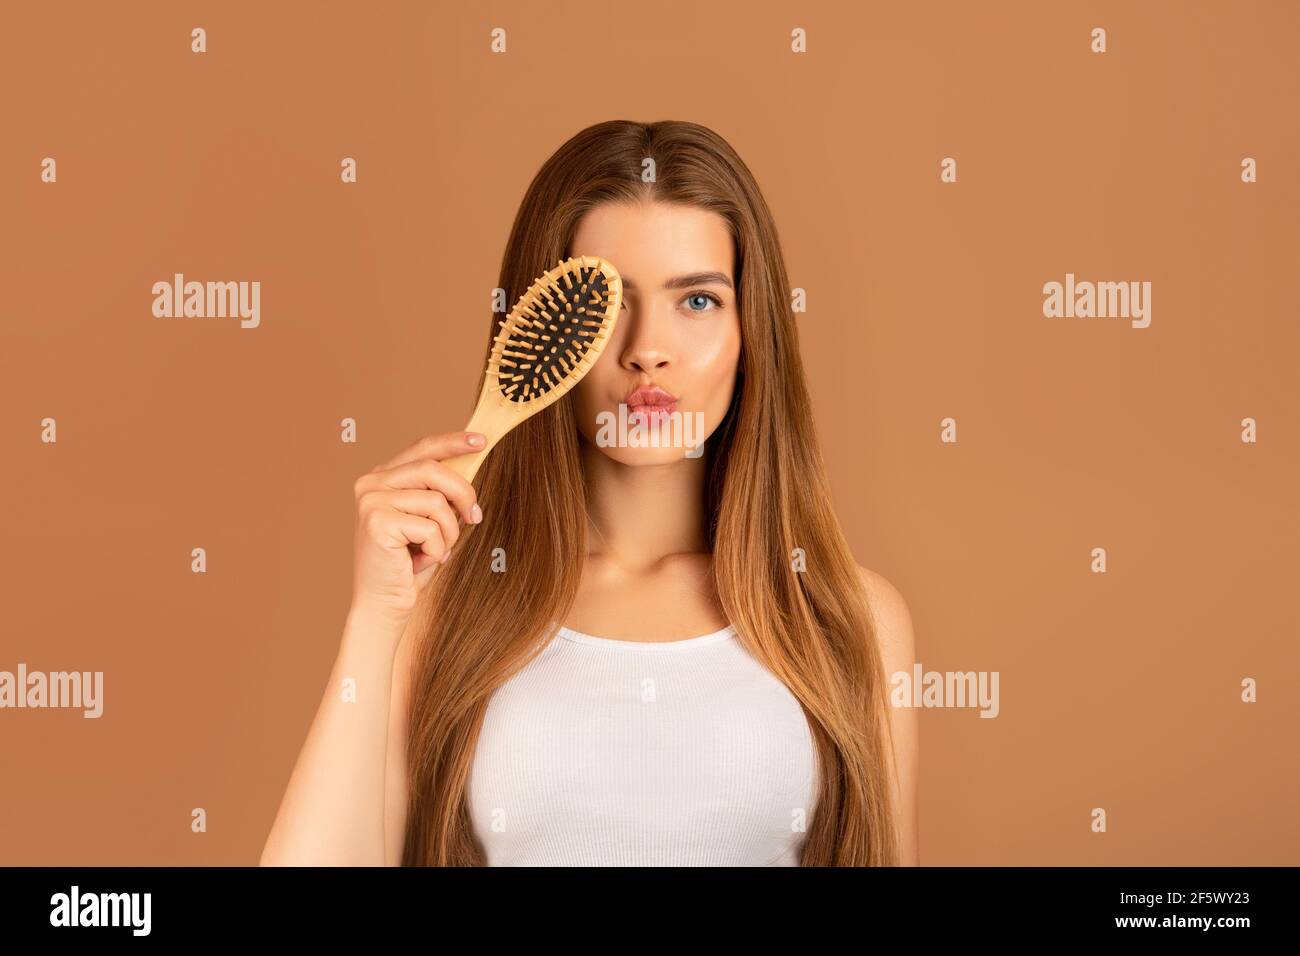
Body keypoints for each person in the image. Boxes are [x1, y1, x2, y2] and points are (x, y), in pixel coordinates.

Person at [261, 120, 919, 866]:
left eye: (697, 301)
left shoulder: (849, 616)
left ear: (751, 333)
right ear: (545, 331)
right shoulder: (440, 615)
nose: (646, 349)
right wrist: (375, 618)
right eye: (606, 306)